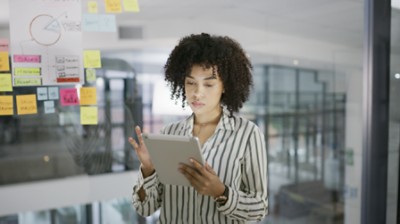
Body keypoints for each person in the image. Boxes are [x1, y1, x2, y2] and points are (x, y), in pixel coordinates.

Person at [129, 33, 268, 223]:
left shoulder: (248, 134)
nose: (197, 93)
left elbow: (259, 209)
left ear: (225, 86)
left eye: (209, 84)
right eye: (190, 83)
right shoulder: (169, 133)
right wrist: (148, 169)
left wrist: (221, 192)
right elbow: (145, 208)